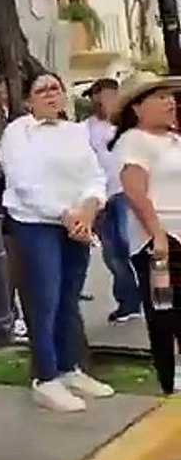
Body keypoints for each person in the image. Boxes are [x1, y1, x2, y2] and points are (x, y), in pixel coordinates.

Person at [0, 72, 113, 412]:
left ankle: (69, 368)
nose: (50, 94)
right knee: (43, 300)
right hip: (37, 224)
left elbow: (95, 176)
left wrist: (89, 210)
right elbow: (24, 183)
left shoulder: (75, 132)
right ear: (27, 100)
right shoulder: (18, 133)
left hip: (77, 223)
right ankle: (45, 377)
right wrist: (65, 214)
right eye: (42, 90)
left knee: (68, 297)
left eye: (56, 88)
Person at [110, 72, 181, 394]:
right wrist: (158, 235)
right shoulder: (134, 141)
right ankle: (169, 379)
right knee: (165, 311)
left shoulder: (174, 138)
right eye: (160, 97)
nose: (170, 102)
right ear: (138, 108)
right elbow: (135, 191)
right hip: (160, 242)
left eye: (170, 96)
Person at [83, 78, 143, 324]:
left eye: (105, 95)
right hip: (100, 196)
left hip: (125, 192)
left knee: (134, 246)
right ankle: (128, 301)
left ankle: (151, 297)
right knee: (112, 253)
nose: (99, 101)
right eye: (96, 96)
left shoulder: (129, 126)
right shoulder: (85, 129)